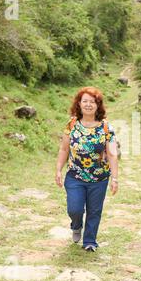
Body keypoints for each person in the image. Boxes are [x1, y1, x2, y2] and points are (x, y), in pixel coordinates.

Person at [55, 86, 118, 252]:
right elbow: (64, 149)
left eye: (92, 101)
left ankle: (90, 241)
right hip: (75, 176)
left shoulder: (106, 128)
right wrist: (58, 170)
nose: (89, 104)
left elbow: (112, 154)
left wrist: (115, 178)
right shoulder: (72, 124)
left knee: (94, 211)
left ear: (98, 105)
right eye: (85, 101)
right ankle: (76, 225)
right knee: (74, 209)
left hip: (99, 178)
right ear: (79, 104)